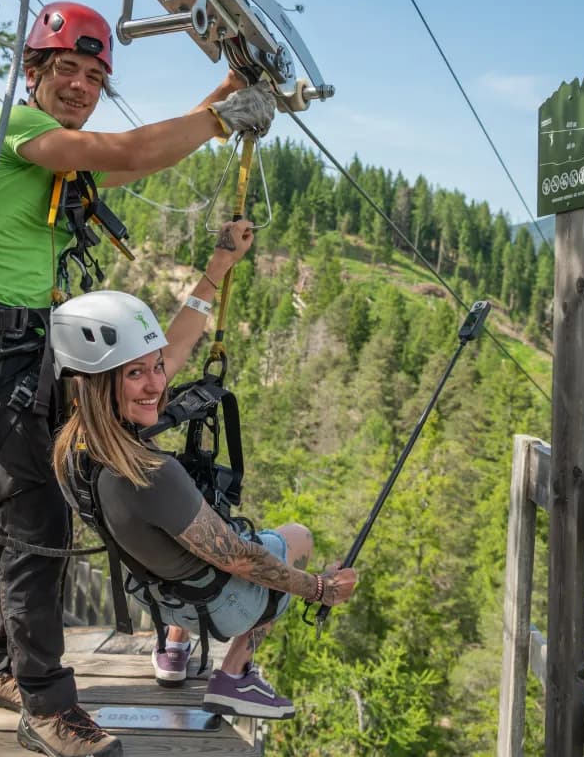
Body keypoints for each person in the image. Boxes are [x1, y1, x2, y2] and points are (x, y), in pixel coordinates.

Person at [0, 0, 276, 757]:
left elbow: (136, 148)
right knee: (38, 523)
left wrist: (224, 94)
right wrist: (224, 121)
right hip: (0, 353)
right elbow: (128, 152)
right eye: (67, 69)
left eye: (95, 75)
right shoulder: (15, 131)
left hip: (27, 347)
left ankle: (3, 667)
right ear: (34, 72)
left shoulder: (55, 149)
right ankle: (46, 704)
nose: (81, 86)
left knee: (29, 510)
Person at [49, 286, 359, 721]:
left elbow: (172, 356)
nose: (157, 385)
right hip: (220, 606)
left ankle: (173, 652)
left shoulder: (71, 454)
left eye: (158, 368)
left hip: (157, 596)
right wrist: (320, 588)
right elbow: (242, 560)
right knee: (296, 538)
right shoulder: (150, 473)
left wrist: (216, 273)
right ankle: (233, 676)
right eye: (136, 374)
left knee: (187, 536)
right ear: (99, 383)